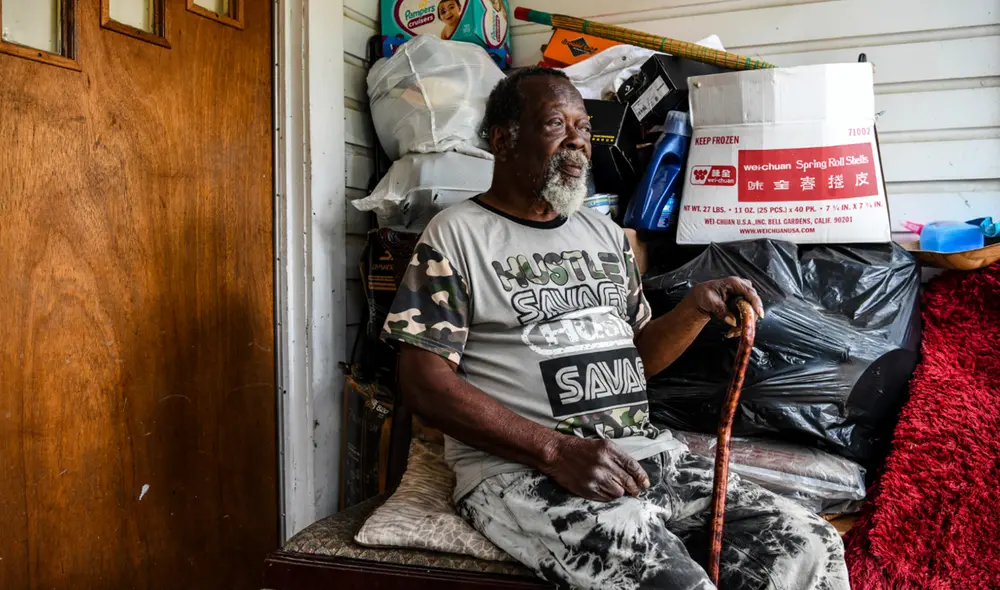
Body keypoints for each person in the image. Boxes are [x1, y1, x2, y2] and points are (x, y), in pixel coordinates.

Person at [381, 67, 850, 590]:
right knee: (676, 582)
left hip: (642, 454)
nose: (578, 140)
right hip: (522, 471)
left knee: (810, 543)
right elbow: (423, 381)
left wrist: (695, 308)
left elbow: (638, 357)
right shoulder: (458, 234)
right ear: (503, 139)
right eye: (556, 124)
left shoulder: (603, 233)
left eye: (583, 126)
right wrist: (555, 450)